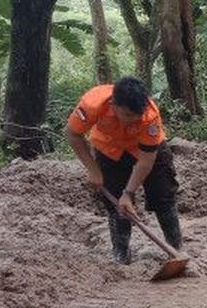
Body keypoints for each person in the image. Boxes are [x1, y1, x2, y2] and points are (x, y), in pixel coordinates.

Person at [66, 77, 182, 264]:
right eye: (127, 115)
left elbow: (146, 160)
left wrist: (128, 193)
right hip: (109, 151)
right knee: (116, 205)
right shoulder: (93, 104)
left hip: (146, 150)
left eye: (137, 115)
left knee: (163, 194)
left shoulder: (150, 115)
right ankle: (121, 255)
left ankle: (176, 249)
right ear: (113, 104)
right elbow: (73, 134)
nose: (133, 120)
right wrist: (93, 170)